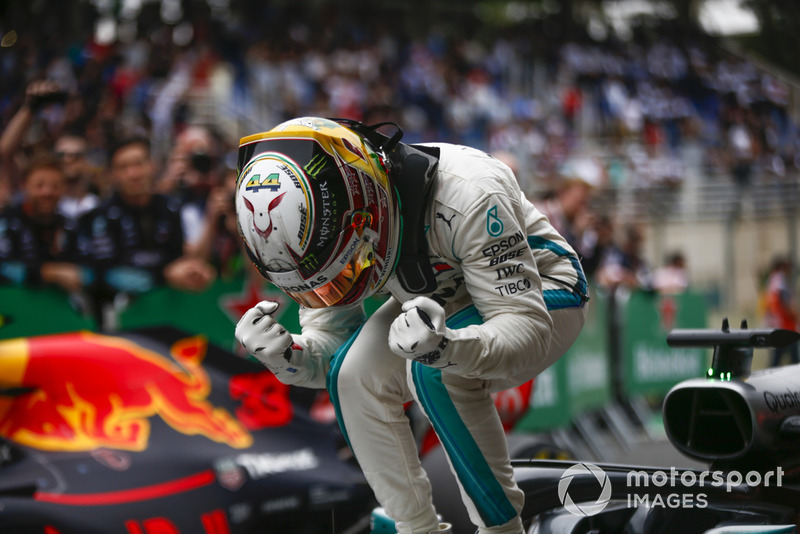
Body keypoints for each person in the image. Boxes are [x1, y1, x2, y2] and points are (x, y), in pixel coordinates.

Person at [233, 117, 588, 534]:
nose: (335, 292)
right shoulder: (330, 237)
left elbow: (525, 333)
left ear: (366, 210)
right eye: (317, 290)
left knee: (434, 372)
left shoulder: (471, 192)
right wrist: (287, 355)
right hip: (436, 301)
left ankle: (503, 529)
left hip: (541, 293)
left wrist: (448, 349)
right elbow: (331, 347)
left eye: (344, 273)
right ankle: (416, 528)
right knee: (352, 377)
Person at [78, 136, 215, 320]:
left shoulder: (170, 208)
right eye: (123, 167)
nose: (133, 173)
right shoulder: (99, 216)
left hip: (167, 315)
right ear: (112, 174)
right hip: (116, 320)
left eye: (138, 164)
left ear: (152, 165)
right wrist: (164, 275)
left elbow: (177, 259)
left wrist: (192, 270)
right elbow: (105, 274)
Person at [0, 154, 84, 294]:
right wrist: (47, 272)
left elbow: (88, 268)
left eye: (55, 186)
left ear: (64, 188)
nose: (47, 192)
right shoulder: (7, 222)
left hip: (58, 309)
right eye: (39, 185)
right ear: (24, 185)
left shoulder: (69, 225)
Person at [763, 256, 799, 366]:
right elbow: (784, 303)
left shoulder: (772, 281)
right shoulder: (779, 281)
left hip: (778, 324)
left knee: (779, 358)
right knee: (792, 359)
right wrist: (794, 315)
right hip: (785, 325)